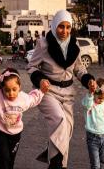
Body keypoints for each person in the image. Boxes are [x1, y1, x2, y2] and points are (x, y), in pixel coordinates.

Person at [26, 10, 97, 169]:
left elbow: (79, 69)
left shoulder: (75, 44)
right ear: (54, 26)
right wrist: (40, 79)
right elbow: (31, 67)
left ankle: (60, 164)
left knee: (66, 131)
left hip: (68, 93)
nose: (64, 31)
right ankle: (56, 164)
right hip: (48, 92)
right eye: (60, 27)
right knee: (60, 121)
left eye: (67, 27)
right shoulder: (43, 44)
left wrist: (89, 80)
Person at [0, 67, 48, 169]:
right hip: (0, 133)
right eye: (7, 90)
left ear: (19, 87)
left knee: (10, 159)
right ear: (2, 88)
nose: (11, 94)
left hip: (15, 135)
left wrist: (41, 91)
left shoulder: (23, 98)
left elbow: (33, 99)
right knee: (4, 157)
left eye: (14, 89)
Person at [82, 78, 104, 169]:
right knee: (95, 165)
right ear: (94, 93)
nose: (101, 100)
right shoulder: (89, 104)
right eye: (99, 98)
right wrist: (90, 93)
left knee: (102, 161)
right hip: (92, 138)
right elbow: (87, 103)